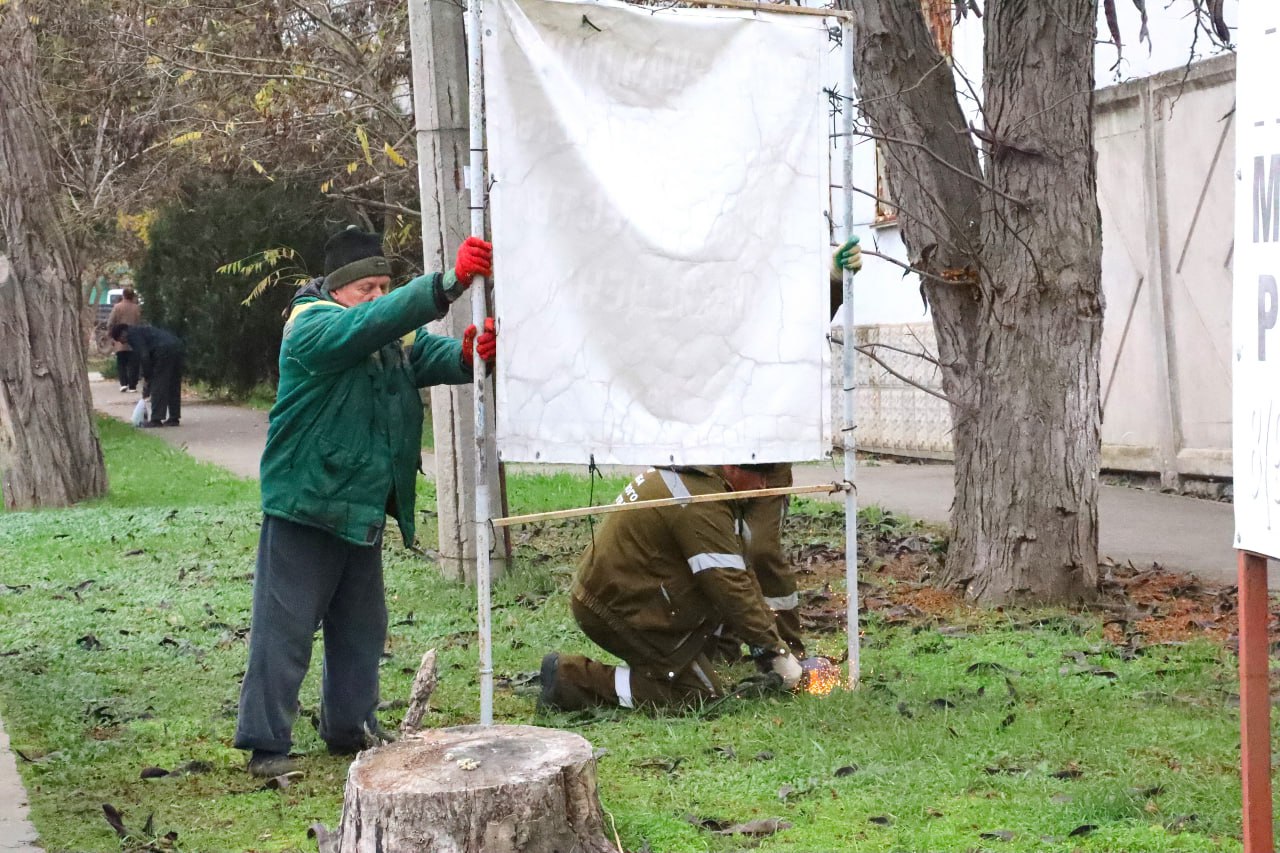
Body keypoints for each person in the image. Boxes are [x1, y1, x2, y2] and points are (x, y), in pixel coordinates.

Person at [234, 226, 497, 778]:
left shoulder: (381, 336)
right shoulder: (312, 327)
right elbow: (371, 325)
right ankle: (266, 746)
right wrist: (445, 286)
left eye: (384, 285)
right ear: (337, 290)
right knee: (283, 629)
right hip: (306, 501)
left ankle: (350, 728)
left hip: (360, 505)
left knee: (361, 625)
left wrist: (470, 352)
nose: (377, 296)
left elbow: (426, 354)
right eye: (366, 287)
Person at [538, 464, 804, 712]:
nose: (763, 487)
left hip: (625, 592)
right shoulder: (702, 502)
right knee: (697, 695)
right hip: (616, 607)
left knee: (700, 671)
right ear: (732, 468)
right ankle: (569, 678)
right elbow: (728, 584)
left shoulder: (704, 482)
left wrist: (771, 644)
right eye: (760, 477)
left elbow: (739, 574)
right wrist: (774, 650)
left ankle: (682, 660)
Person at [108, 322, 184, 427]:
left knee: (159, 384)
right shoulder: (142, 330)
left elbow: (144, 355)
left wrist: (148, 376)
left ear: (122, 334)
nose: (124, 343)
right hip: (176, 345)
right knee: (173, 384)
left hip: (162, 350)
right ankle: (174, 417)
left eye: (120, 340)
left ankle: (156, 419)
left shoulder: (132, 335)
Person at [106, 288, 142, 392]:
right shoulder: (137, 308)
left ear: (123, 295)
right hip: (134, 339)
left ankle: (123, 383)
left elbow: (110, 322)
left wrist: (111, 335)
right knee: (133, 363)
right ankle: (132, 385)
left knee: (121, 362)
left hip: (119, 339)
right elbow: (140, 323)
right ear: (133, 296)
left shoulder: (117, 307)